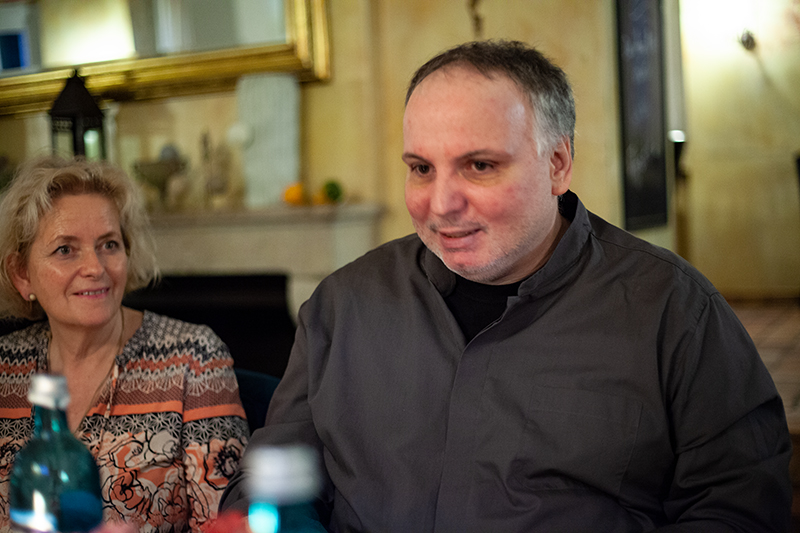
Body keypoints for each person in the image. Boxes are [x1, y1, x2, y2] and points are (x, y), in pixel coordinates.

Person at [220, 40, 792, 531]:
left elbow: (739, 507)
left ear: (558, 164)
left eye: (480, 166)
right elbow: (270, 484)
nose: (441, 204)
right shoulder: (342, 305)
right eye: (421, 168)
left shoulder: (674, 310)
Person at [0, 157, 249, 532]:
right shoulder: (5, 367)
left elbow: (228, 524)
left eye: (109, 245)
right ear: (22, 274)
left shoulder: (192, 358)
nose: (95, 267)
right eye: (65, 249)